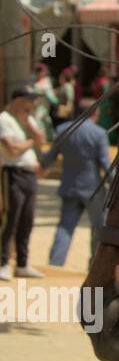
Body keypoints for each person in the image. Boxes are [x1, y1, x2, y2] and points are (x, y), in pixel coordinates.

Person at [39, 95, 111, 268]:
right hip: (93, 189)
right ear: (95, 113)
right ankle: (94, 265)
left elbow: (49, 158)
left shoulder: (63, 129)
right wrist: (116, 184)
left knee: (65, 227)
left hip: (69, 186)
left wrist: (39, 163)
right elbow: (106, 164)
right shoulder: (99, 133)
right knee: (99, 227)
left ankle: (55, 264)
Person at [0, 86, 47, 280]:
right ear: (19, 101)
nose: (33, 104)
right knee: (10, 219)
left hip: (29, 175)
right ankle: (3, 263)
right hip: (12, 173)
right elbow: (12, 149)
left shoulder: (28, 121)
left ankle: (22, 263)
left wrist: (29, 125)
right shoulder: (4, 119)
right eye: (30, 100)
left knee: (27, 220)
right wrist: (30, 141)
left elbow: (41, 140)